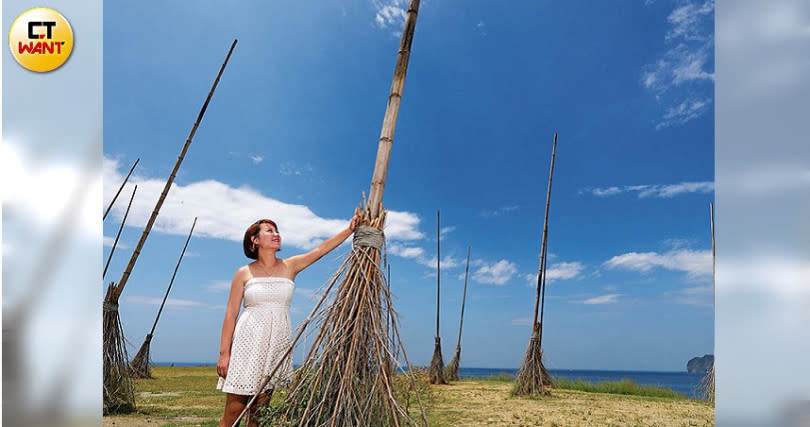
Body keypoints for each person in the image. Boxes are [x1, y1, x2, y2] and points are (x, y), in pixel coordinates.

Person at [217, 210, 361, 427]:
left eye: (277, 231)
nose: (276, 234)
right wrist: (224, 353)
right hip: (247, 343)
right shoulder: (243, 273)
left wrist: (350, 230)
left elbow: (320, 250)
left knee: (259, 410)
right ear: (254, 240)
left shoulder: (290, 266)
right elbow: (230, 313)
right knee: (234, 410)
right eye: (269, 231)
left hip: (276, 343)